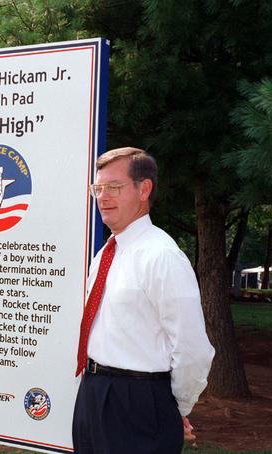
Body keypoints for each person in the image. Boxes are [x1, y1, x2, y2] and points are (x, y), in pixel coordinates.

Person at [72, 147, 215, 454]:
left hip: (138, 402)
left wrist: (177, 406)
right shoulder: (108, 251)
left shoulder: (162, 256)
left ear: (144, 189)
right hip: (93, 394)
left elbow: (192, 348)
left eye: (114, 187)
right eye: (98, 188)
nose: (103, 197)